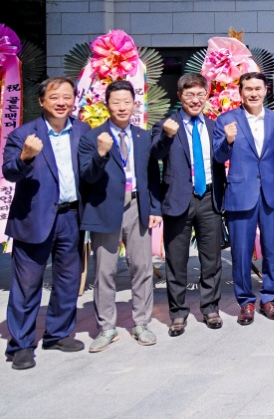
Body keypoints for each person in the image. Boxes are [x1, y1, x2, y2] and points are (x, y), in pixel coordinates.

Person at [2, 77, 89, 370]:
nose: (61, 102)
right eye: (54, 97)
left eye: (67, 97)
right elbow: (10, 172)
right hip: (34, 219)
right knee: (26, 285)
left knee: (67, 280)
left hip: (71, 217)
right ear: (42, 101)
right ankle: (21, 345)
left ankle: (58, 334)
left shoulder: (83, 131)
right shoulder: (24, 135)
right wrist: (25, 158)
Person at [78, 80, 159, 351]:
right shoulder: (92, 137)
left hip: (137, 205)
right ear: (107, 105)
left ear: (135, 104)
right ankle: (106, 327)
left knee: (142, 267)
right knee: (105, 270)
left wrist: (154, 208)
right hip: (104, 207)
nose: (122, 107)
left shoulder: (143, 137)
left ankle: (141, 323)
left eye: (127, 102)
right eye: (116, 102)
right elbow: (87, 176)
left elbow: (151, 176)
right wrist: (101, 153)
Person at [151, 73, 225, 336]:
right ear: (179, 96)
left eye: (200, 94)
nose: (195, 100)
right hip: (177, 200)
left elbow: (223, 158)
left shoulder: (215, 126)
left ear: (207, 96)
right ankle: (178, 313)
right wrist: (167, 137)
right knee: (176, 261)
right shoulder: (165, 125)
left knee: (211, 259)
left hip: (209, 199)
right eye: (190, 94)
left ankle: (210, 308)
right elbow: (155, 154)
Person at [212, 71, 274, 325]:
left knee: (271, 250)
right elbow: (219, 157)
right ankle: (246, 302)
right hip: (240, 194)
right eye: (248, 89)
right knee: (241, 252)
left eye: (258, 88)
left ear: (265, 90)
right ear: (240, 92)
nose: (253, 93)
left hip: (271, 194)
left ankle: (269, 298)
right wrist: (228, 140)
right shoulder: (226, 120)